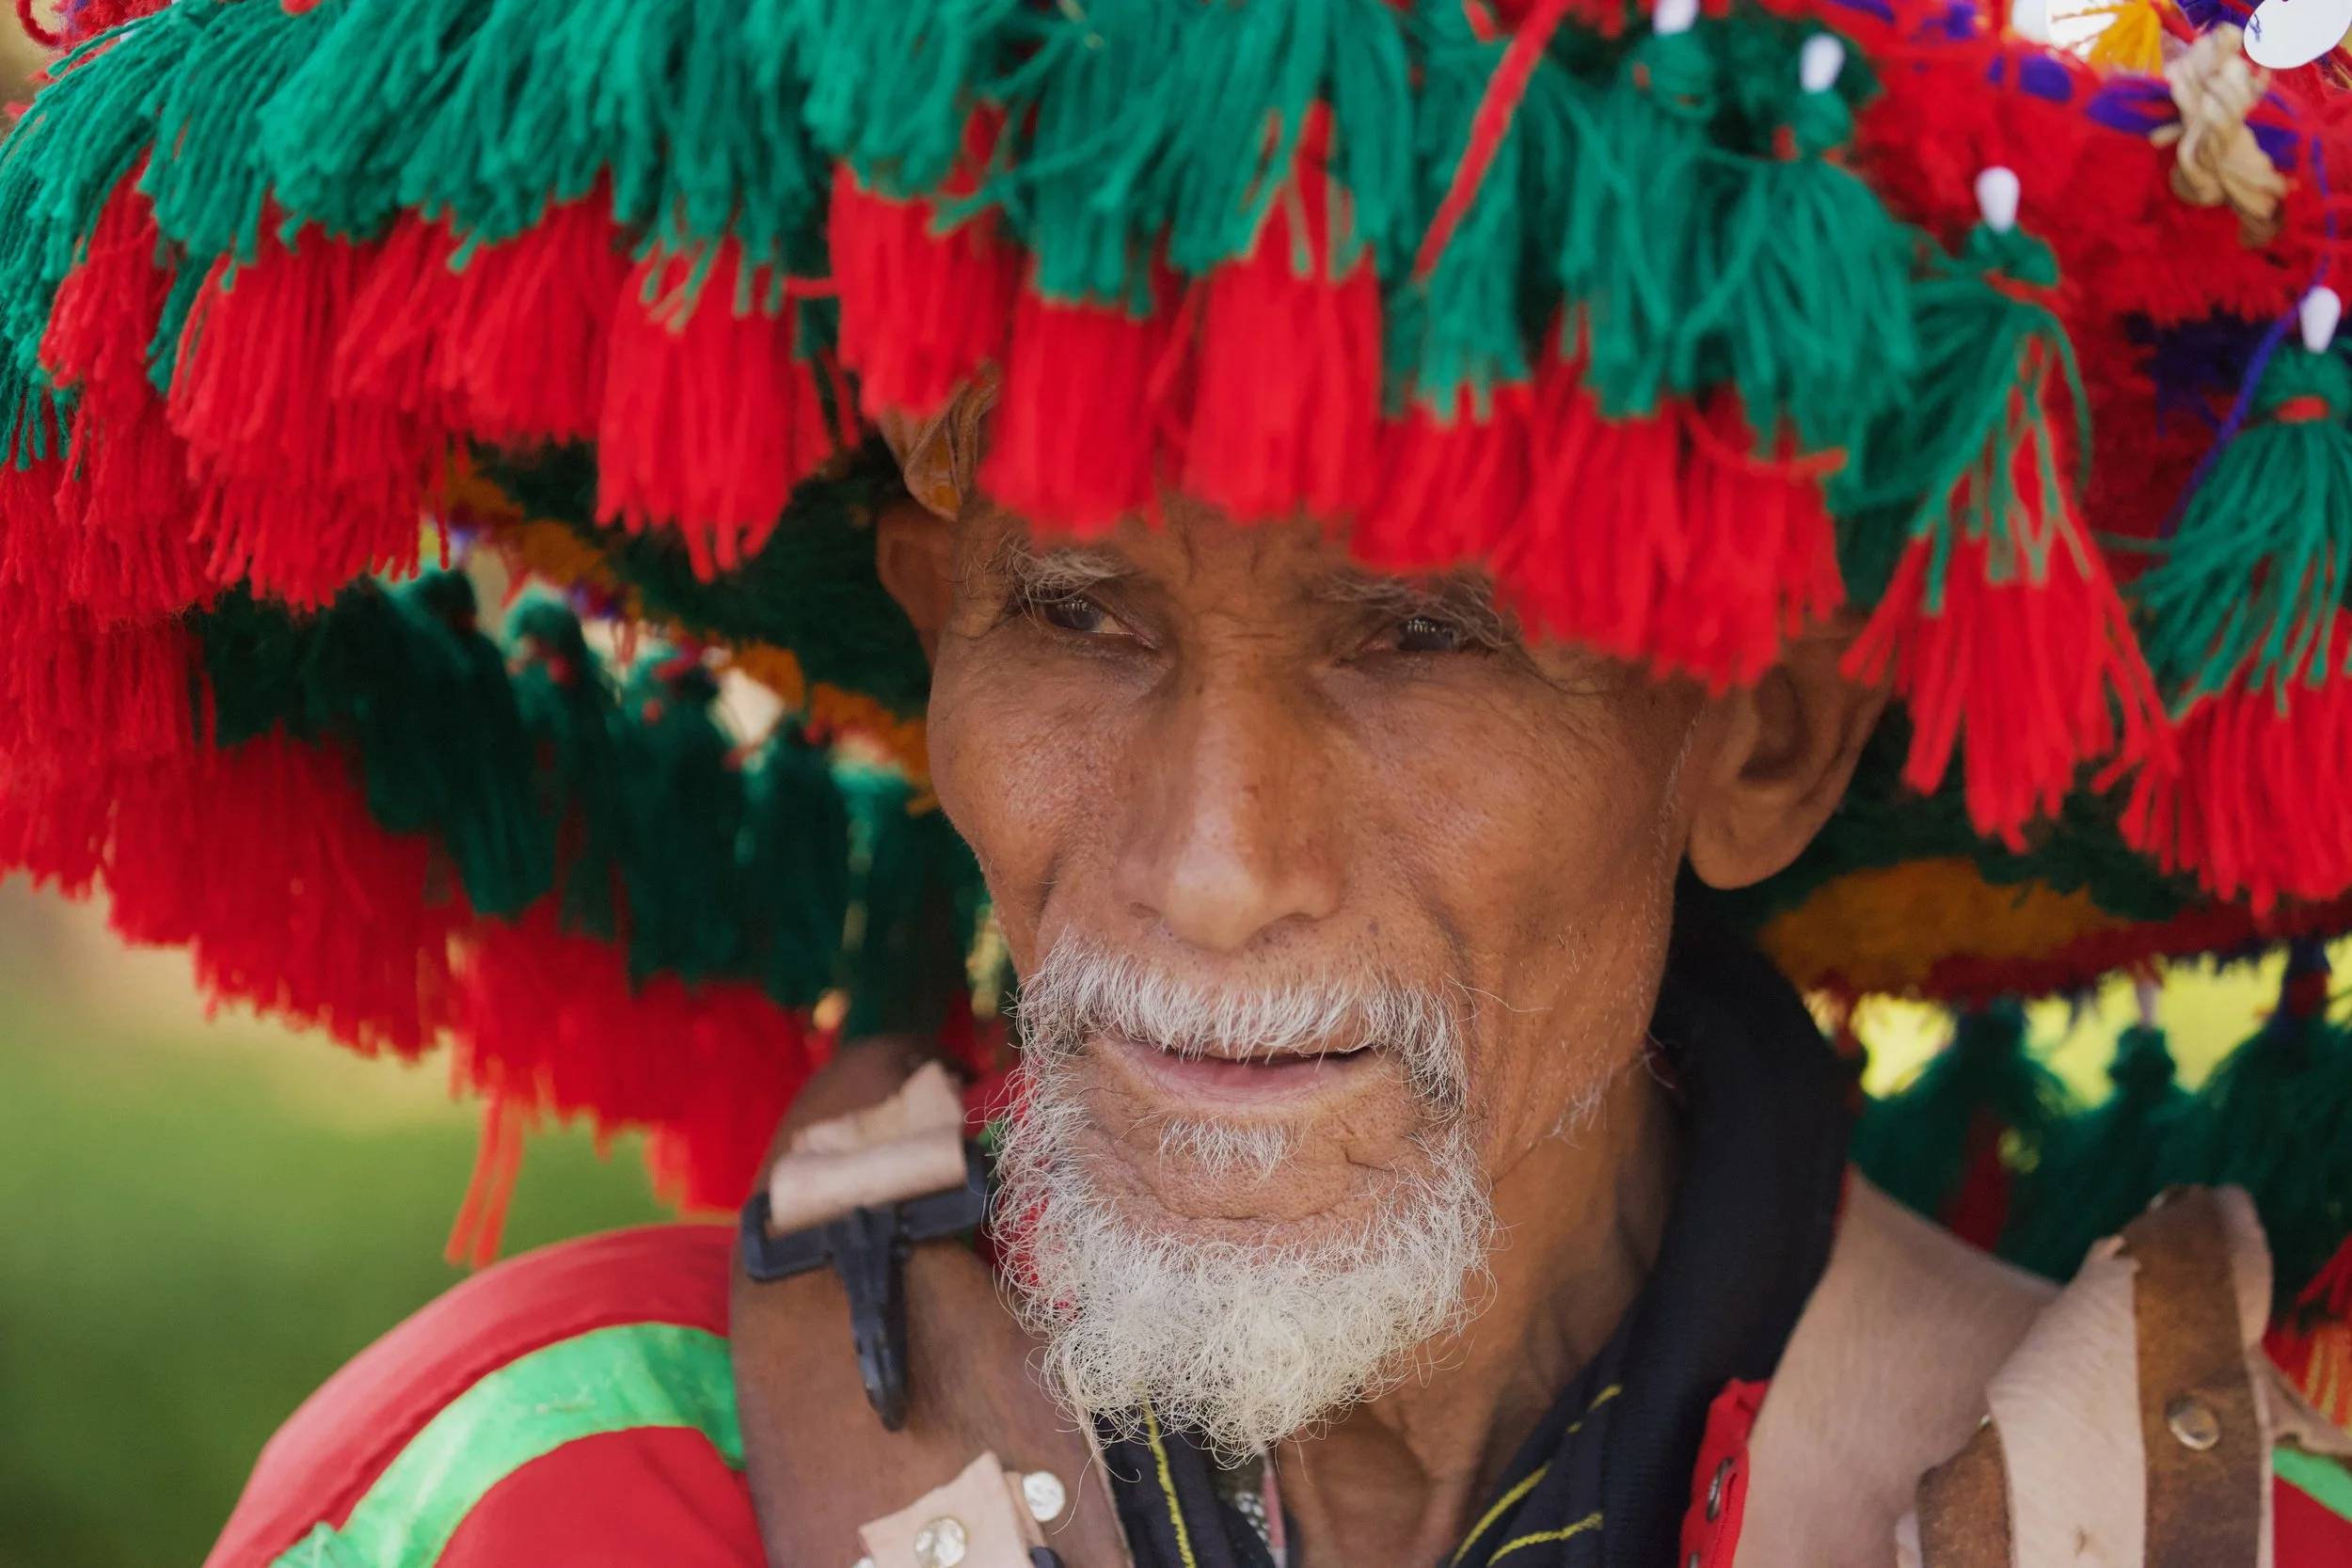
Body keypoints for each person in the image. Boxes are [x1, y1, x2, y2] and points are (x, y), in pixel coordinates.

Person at [5, 1, 2352, 1565]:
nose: (1207, 870)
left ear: (1758, 738)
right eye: (1075, 616)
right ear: (932, 642)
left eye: (1420, 632)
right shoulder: (545, 1492)